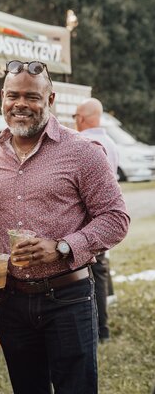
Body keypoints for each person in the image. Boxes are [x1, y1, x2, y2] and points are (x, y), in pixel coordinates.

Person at [0, 60, 130, 394]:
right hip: (12, 302)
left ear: (50, 100)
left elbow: (116, 218)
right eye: (13, 95)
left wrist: (62, 246)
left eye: (32, 96)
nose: (21, 104)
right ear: (2, 98)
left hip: (68, 297)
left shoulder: (82, 152)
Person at [74, 97, 120, 343]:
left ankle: (95, 328)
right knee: (100, 273)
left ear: (81, 118)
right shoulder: (111, 143)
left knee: (85, 275)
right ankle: (102, 328)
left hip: (87, 223)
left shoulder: (83, 143)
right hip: (105, 222)